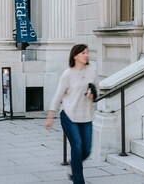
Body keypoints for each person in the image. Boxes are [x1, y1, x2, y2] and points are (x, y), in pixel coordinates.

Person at [45, 44, 98, 184]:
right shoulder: (67, 74)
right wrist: (50, 116)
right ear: (75, 56)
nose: (86, 55)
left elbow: (96, 90)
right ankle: (78, 180)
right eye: (83, 53)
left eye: (87, 53)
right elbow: (58, 96)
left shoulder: (92, 70)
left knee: (86, 150)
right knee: (77, 146)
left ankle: (72, 167)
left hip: (86, 115)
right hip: (69, 115)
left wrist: (93, 94)